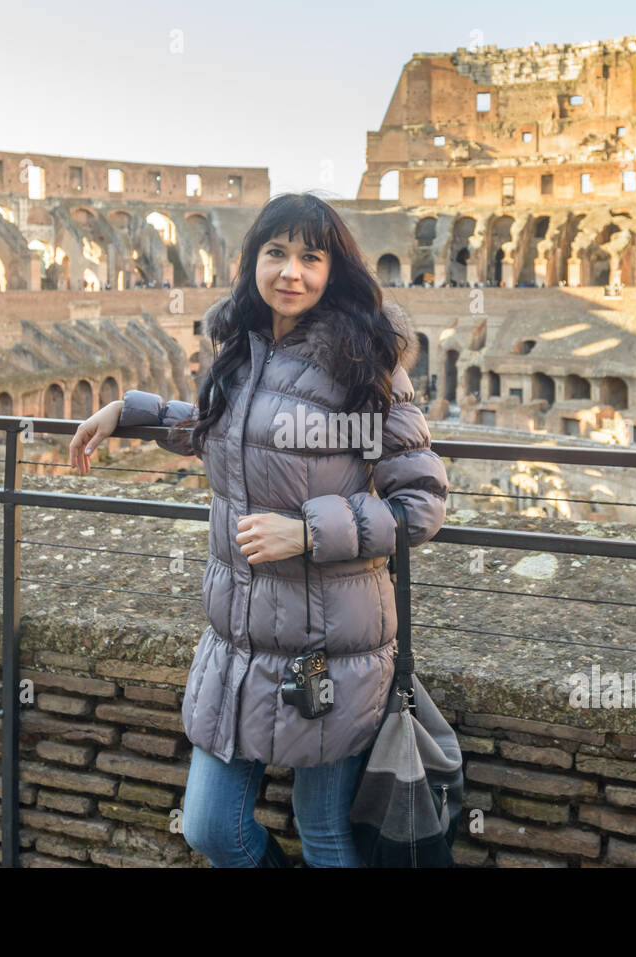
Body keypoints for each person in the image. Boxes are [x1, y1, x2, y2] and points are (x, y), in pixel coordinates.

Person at [68, 192, 447, 868]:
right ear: (253, 262)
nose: (290, 272)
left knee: (323, 828)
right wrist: (130, 411)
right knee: (211, 826)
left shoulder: (367, 361)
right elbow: (218, 430)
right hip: (238, 639)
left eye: (310, 256)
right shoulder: (242, 350)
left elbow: (420, 504)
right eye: (276, 253)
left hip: (330, 650)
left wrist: (307, 531)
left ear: (335, 269)